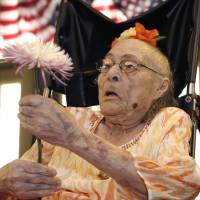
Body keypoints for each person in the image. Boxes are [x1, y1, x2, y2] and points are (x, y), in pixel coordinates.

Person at [0, 24, 200, 200]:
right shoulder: (74, 117)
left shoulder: (167, 120)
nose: (111, 74)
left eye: (129, 66)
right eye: (106, 65)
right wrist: (3, 181)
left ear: (160, 87)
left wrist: (74, 138)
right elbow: (18, 181)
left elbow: (182, 185)